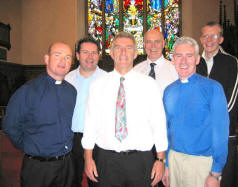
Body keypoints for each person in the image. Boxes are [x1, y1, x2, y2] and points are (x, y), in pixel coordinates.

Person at [82, 32, 168, 187]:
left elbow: (159, 124)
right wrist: (88, 158)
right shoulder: (98, 85)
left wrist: (161, 160)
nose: (123, 52)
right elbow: (90, 123)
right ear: (111, 53)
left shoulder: (149, 85)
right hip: (106, 160)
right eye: (118, 48)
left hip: (140, 161)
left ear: (135, 53)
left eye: (128, 48)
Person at [2, 42, 76, 187]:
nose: (63, 61)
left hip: (67, 165)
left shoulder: (72, 91)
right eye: (57, 55)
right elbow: (10, 126)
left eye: (68, 57)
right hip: (38, 167)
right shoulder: (28, 91)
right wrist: (29, 146)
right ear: (46, 59)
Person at [162, 37, 229, 187]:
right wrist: (166, 164)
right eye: (179, 56)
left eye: (189, 56)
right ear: (172, 59)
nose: (183, 61)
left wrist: (216, 173)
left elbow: (221, 132)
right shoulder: (169, 91)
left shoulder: (213, 88)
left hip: (201, 162)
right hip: (174, 160)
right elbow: (167, 131)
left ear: (198, 59)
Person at [197, 21, 238, 187]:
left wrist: (207, 122)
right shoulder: (194, 64)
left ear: (221, 39)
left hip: (223, 136)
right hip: (198, 138)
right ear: (201, 39)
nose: (209, 40)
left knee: (224, 181)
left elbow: (233, 102)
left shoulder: (231, 63)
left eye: (214, 36)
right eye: (205, 36)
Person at [65, 36, 106, 187]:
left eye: (94, 53)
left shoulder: (107, 80)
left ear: (99, 55)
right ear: (77, 55)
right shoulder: (67, 79)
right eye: (85, 52)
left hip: (98, 141)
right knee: (71, 181)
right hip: (72, 140)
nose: (90, 57)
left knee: (97, 182)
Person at [134, 29, 178, 95]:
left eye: (157, 41)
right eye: (149, 42)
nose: (153, 46)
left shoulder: (175, 70)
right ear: (144, 45)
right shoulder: (136, 70)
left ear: (163, 44)